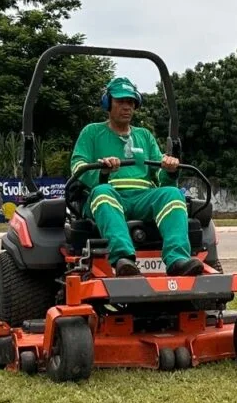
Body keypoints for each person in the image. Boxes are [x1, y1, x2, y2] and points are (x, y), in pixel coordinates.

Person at [69, 76, 204, 277]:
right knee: (103, 192)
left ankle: (177, 260)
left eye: (130, 102)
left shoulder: (144, 135)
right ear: (107, 103)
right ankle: (123, 259)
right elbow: (78, 166)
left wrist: (169, 169)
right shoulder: (92, 133)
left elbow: (160, 176)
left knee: (172, 194)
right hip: (109, 196)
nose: (127, 107)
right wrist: (103, 170)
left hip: (143, 197)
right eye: (121, 101)